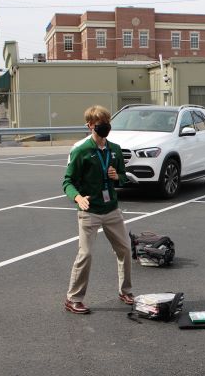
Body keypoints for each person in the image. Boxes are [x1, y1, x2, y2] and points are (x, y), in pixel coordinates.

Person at [63, 105, 133, 314]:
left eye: (107, 123)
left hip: (111, 209)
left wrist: (117, 177)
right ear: (90, 125)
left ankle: (125, 290)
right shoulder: (81, 151)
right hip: (90, 211)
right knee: (85, 254)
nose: (106, 127)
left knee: (125, 249)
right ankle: (73, 298)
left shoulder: (115, 149)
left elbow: (123, 177)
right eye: (101, 124)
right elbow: (67, 182)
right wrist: (77, 197)